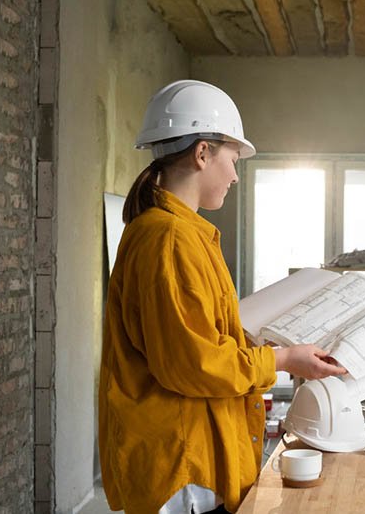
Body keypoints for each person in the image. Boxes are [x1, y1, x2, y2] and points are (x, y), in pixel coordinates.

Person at [98, 80, 346, 514]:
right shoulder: (170, 238)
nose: (234, 175)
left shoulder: (177, 233)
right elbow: (193, 364)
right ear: (201, 153)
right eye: (233, 159)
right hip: (184, 469)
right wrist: (283, 360)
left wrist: (256, 344)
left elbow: (194, 340)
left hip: (191, 456)